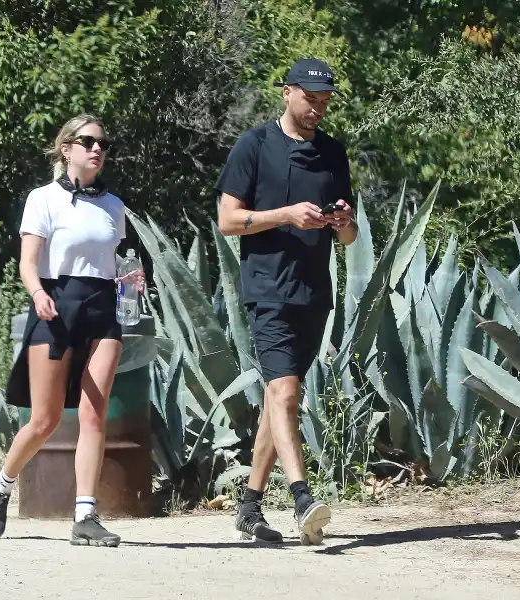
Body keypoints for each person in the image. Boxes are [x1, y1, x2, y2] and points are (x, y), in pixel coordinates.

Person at [0, 113, 144, 547]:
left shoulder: (113, 206)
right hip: (55, 307)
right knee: (45, 419)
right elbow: (28, 262)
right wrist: (37, 293)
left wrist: (131, 281)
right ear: (66, 148)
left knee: (96, 412)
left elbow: (115, 264)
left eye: (103, 144)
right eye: (88, 141)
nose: (97, 149)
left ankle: (85, 516)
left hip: (102, 311)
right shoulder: (44, 199)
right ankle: (2, 485)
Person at [215, 58, 359, 544]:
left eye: (324, 103)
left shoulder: (333, 154)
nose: (317, 110)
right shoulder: (253, 146)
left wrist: (343, 223)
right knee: (286, 394)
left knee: (282, 400)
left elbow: (352, 237)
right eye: (310, 100)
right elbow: (229, 221)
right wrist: (285, 215)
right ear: (287, 93)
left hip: (314, 295)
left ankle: (249, 507)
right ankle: (302, 498)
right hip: (268, 291)